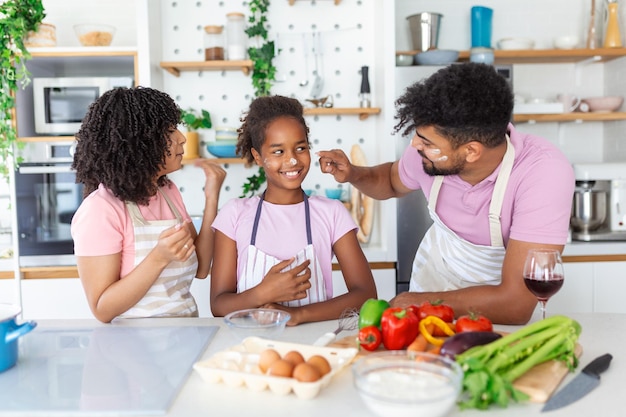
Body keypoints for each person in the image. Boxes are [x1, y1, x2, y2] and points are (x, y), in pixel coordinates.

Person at [317, 63, 575, 325]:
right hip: (429, 301)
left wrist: (418, 301)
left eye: (426, 142)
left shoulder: (543, 172)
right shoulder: (429, 153)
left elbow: (516, 304)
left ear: (471, 152)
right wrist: (353, 174)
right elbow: (392, 181)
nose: (415, 145)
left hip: (496, 320)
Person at [210, 95, 377, 325]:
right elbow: (219, 305)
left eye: (300, 148)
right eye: (278, 151)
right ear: (258, 156)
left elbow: (366, 295)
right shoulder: (234, 214)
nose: (292, 160)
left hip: (313, 345)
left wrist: (298, 315)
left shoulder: (332, 213)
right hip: (248, 345)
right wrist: (263, 293)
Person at [71, 86, 226, 323]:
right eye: (170, 131)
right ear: (140, 141)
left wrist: (211, 197)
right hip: (133, 351)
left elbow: (202, 267)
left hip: (185, 337)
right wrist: (158, 258)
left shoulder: (167, 192)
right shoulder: (100, 209)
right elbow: (102, 309)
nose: (182, 138)